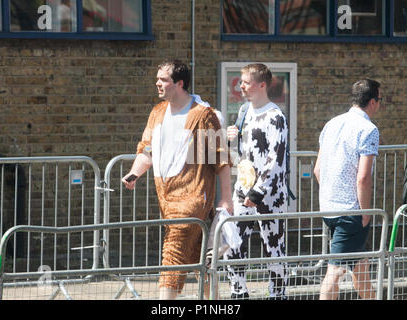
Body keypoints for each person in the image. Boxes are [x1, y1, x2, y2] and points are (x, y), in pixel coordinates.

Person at [122, 59, 233, 300]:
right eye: (158, 78)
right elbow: (147, 150)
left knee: (172, 254)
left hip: (191, 200)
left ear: (180, 84)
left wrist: (226, 199)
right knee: (198, 260)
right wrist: (134, 173)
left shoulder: (201, 116)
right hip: (167, 201)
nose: (157, 83)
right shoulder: (158, 113)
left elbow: (220, 159)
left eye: (163, 80)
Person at [314, 79, 382, 300]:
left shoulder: (331, 123)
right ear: (372, 102)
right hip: (351, 211)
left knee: (360, 267)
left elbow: (317, 170)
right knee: (335, 271)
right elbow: (363, 178)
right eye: (379, 100)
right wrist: (365, 212)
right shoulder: (368, 129)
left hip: (328, 208)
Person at [225, 63, 288, 300]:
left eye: (246, 82)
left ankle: (277, 294)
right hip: (243, 188)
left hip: (270, 194)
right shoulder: (243, 112)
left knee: (273, 247)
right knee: (233, 240)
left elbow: (276, 157)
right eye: (241, 81)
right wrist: (232, 140)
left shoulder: (276, 116)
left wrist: (259, 191)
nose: (241, 85)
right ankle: (238, 292)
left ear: (262, 85)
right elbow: (240, 156)